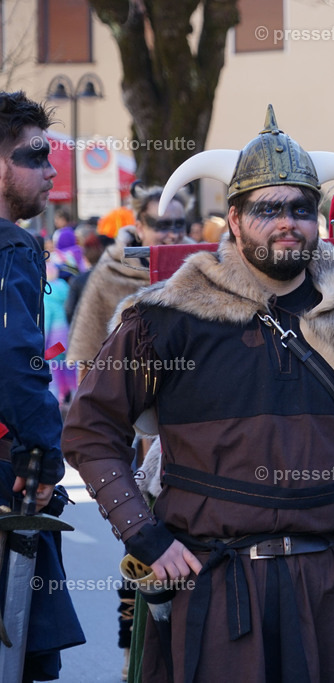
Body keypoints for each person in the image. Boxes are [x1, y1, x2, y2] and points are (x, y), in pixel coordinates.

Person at [62, 106, 334, 682]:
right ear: (234, 221)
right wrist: (145, 535)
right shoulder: (168, 317)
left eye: (301, 208)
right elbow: (90, 429)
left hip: (332, 589)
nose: (287, 222)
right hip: (216, 588)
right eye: (268, 209)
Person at [0, 90, 85, 680]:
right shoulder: (11, 246)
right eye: (34, 156)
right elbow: (13, 359)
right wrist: (44, 457)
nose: (51, 170)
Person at [65, 182, 190, 373]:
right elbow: (89, 359)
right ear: (139, 227)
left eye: (179, 224)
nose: (173, 234)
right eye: (162, 225)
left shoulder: (203, 267)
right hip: (130, 394)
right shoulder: (112, 271)